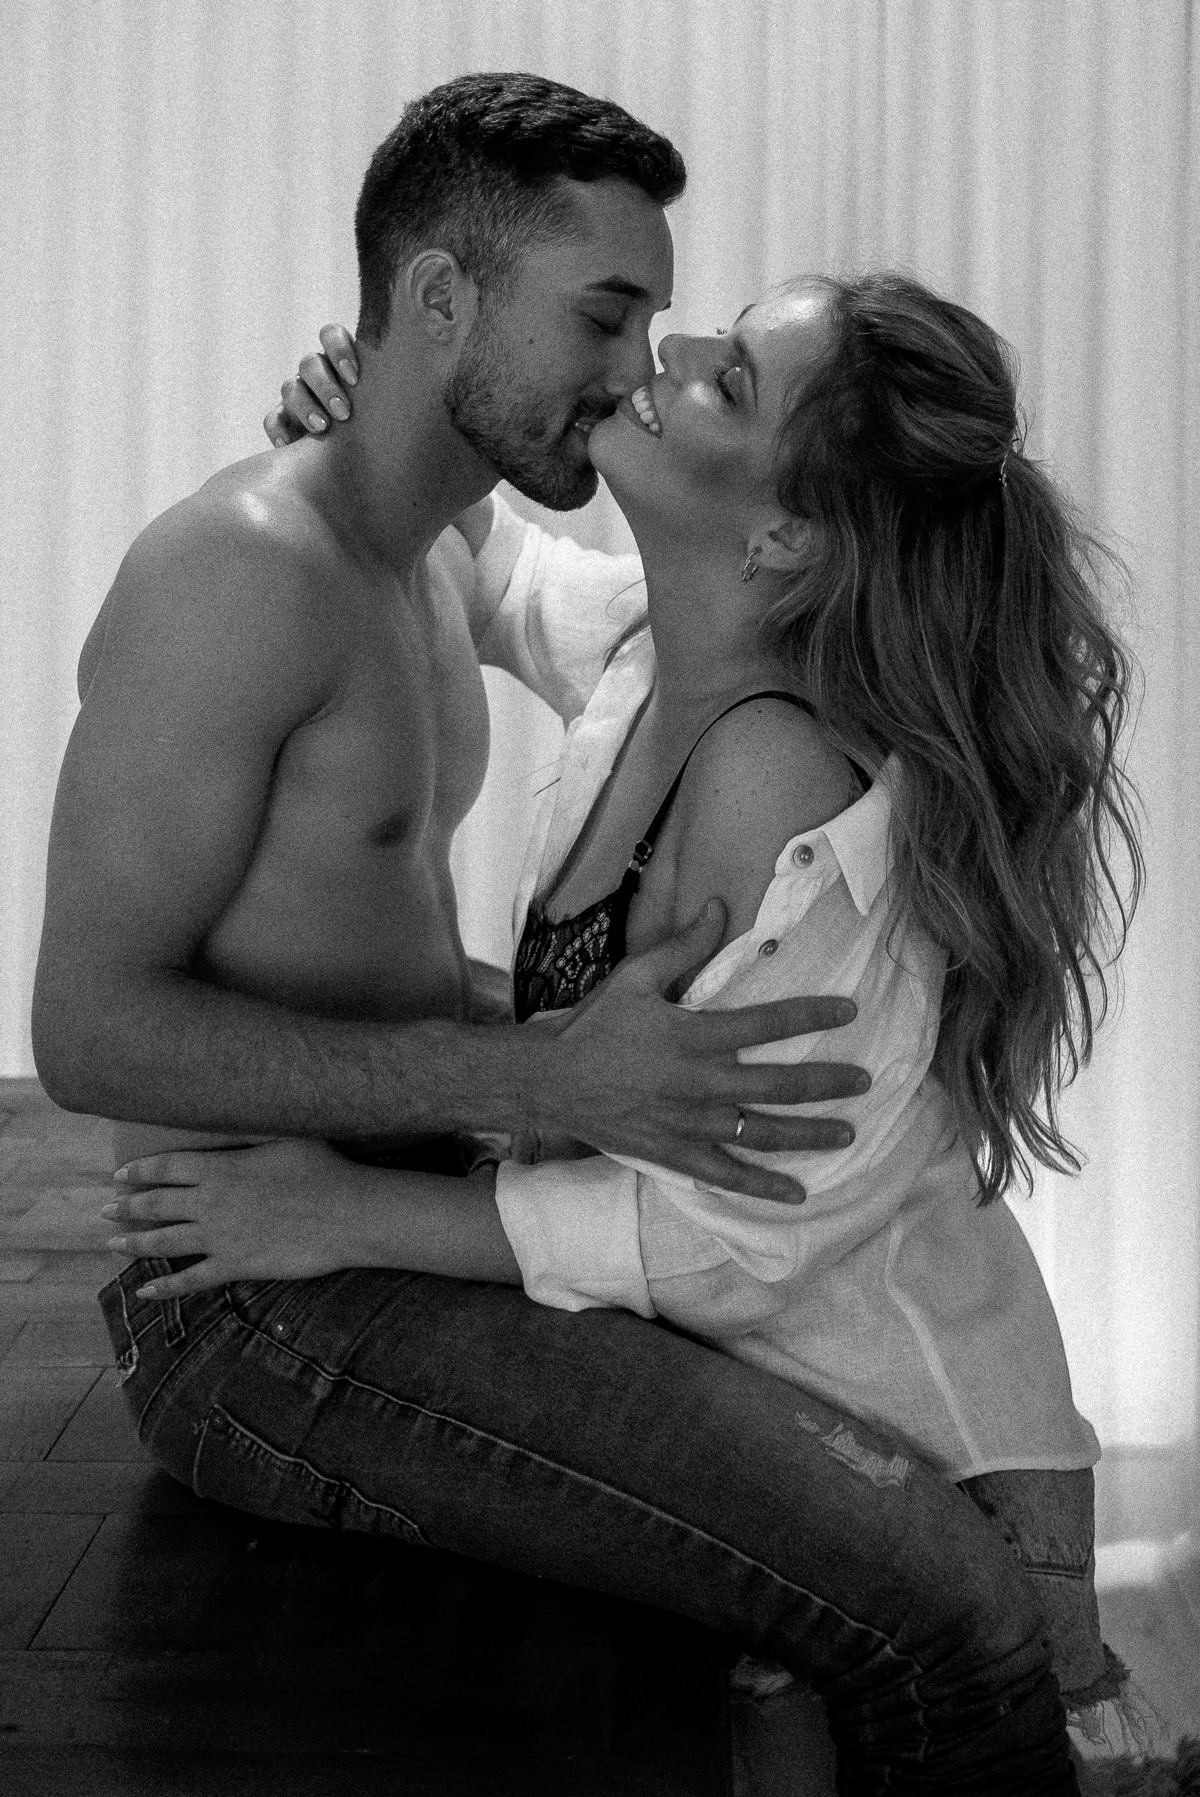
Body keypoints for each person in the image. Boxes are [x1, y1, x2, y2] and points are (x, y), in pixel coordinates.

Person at [46, 75, 1099, 1794]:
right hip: (258, 1286)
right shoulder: (247, 575)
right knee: (944, 1617)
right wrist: (526, 1080)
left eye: (681, 343)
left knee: (924, 1613)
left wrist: (515, 1092)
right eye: (609, 315)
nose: (640, 367)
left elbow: (507, 600)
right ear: (440, 298)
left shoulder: (486, 593)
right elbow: (86, 1033)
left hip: (427, 1216)